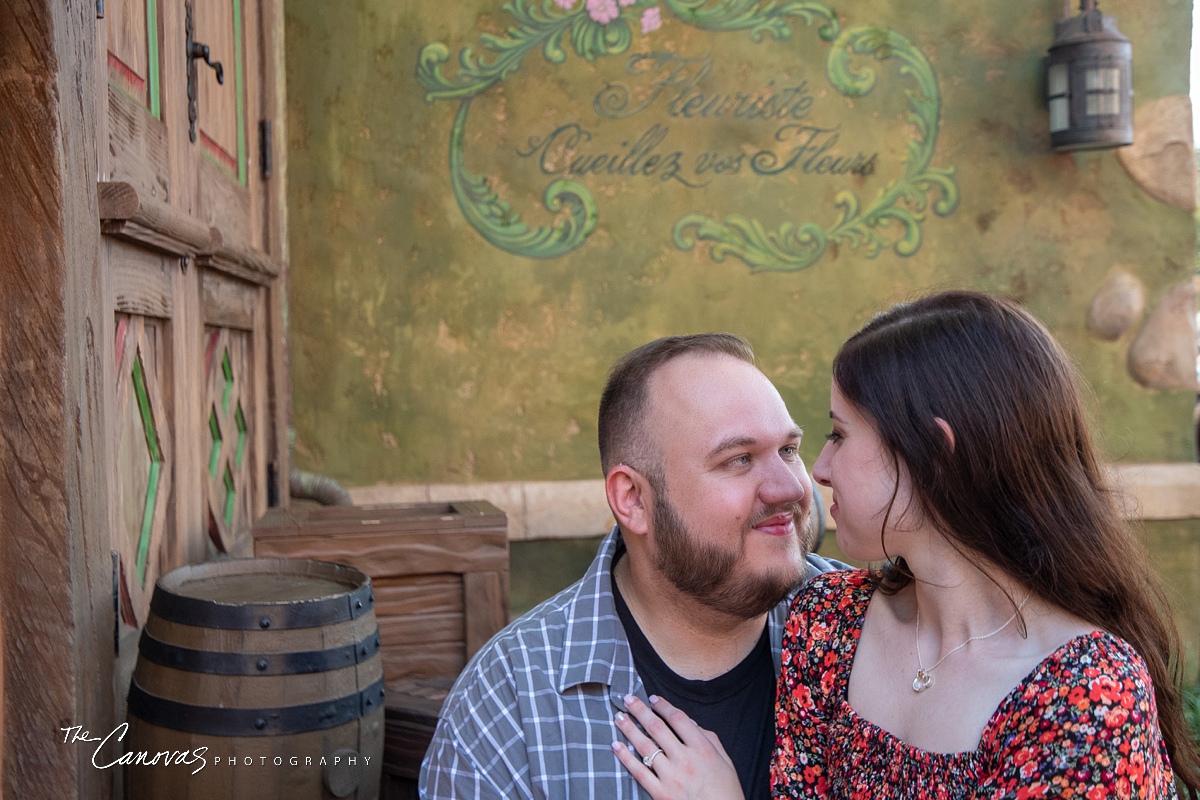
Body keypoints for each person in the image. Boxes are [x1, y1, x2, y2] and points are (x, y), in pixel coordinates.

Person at [614, 291, 1200, 799]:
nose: (815, 472)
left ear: (931, 455)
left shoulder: (1083, 694)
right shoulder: (826, 624)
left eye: (839, 435)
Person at [419, 333, 845, 799]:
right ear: (634, 500)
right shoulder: (509, 706)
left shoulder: (871, 632)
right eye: (739, 460)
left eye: (788, 450)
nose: (790, 488)